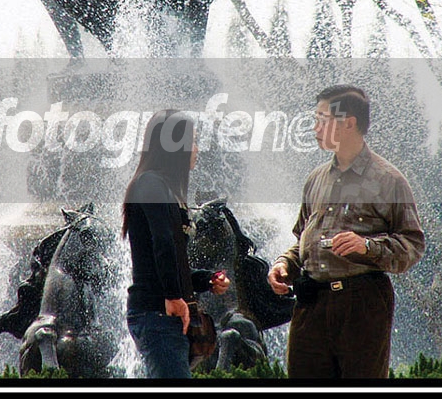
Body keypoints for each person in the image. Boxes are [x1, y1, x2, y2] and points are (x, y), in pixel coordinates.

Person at [267, 85, 425, 379]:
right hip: (310, 303)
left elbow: (412, 246)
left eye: (322, 118)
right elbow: (303, 239)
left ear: (349, 123)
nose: (314, 127)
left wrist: (366, 246)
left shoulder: (388, 180)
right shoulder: (315, 179)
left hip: (361, 304)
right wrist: (284, 264)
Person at [122, 109, 231, 378]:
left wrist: (206, 280)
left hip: (166, 313)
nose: (196, 149)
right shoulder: (150, 183)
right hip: (157, 313)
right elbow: (163, 242)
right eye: (192, 141)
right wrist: (172, 296)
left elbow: (169, 259)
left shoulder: (165, 188)